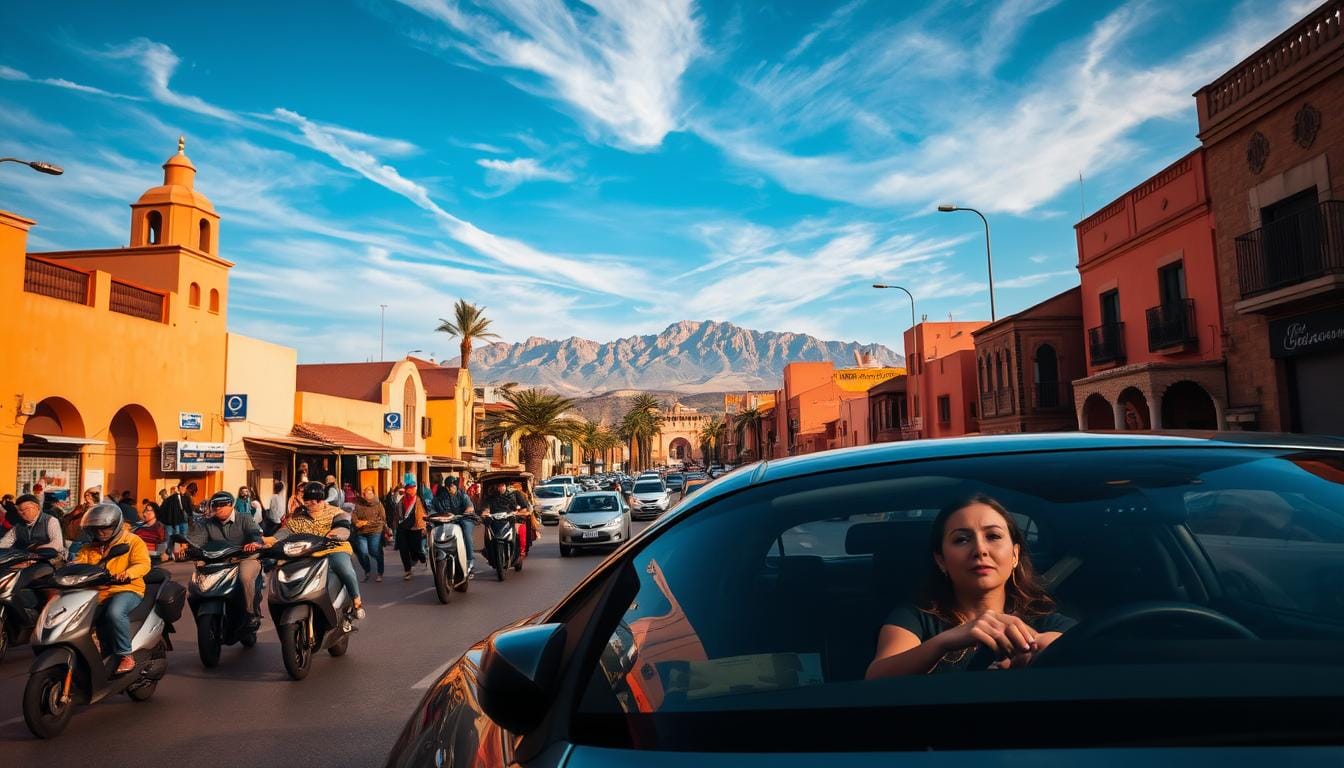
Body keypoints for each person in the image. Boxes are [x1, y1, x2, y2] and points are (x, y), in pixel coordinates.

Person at [866, 495, 1074, 678]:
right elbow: (877, 679)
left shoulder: (1044, 619)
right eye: (962, 540)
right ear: (941, 560)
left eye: (993, 536)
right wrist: (944, 642)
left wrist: (1036, 647)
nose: (980, 550)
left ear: (1015, 555)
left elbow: (1087, 648)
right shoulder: (915, 618)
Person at [75, 503, 151, 675]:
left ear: (116, 526)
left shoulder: (132, 541)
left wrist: (127, 573)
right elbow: (79, 564)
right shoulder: (90, 546)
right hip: (95, 592)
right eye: (96, 529)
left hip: (126, 589)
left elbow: (143, 564)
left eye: (105, 528)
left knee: (115, 612)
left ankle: (126, 655)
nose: (100, 532)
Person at [175, 491, 266, 628]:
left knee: (245, 577)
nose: (219, 507)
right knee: (195, 583)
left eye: (223, 504)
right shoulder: (207, 523)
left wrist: (254, 542)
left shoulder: (245, 518)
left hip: (244, 558)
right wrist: (187, 547)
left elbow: (255, 532)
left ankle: (250, 614)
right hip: (216, 560)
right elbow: (198, 541)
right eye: (216, 505)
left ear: (231, 505)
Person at [278, 482, 365, 619]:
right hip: (306, 552)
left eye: (317, 499)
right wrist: (266, 541)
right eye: (308, 499)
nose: (313, 503)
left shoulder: (336, 512)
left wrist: (335, 533)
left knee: (345, 569)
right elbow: (284, 532)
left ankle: (356, 600)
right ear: (304, 499)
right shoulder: (298, 516)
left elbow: (343, 527)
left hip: (334, 548)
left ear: (323, 499)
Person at [432, 475, 478, 576]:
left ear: (456, 486)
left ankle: (470, 562)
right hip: (447, 521)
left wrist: (466, 512)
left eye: (452, 486)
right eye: (448, 486)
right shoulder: (441, 497)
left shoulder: (463, 496)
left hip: (463, 519)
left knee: (466, 533)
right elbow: (432, 507)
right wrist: (430, 514)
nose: (450, 488)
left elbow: (470, 507)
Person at [0, 492, 67, 561]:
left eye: (24, 509)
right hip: (27, 560)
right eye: (19, 510)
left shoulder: (50, 521)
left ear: (36, 507)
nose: (21, 513)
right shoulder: (18, 526)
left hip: (51, 560)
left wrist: (37, 549)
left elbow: (57, 544)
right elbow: (6, 541)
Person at [352, 486, 389, 582]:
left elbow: (382, 519)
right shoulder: (358, 503)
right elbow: (354, 514)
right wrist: (356, 522)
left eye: (369, 492)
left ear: (373, 493)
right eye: (365, 493)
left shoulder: (378, 504)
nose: (367, 495)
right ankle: (367, 571)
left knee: (374, 552)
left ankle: (380, 572)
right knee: (362, 552)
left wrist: (366, 523)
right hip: (361, 532)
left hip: (375, 530)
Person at [395, 479, 428, 581]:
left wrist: (424, 527)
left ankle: (420, 556)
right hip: (402, 528)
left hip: (415, 528)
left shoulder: (420, 500)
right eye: (408, 489)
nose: (410, 491)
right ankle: (408, 570)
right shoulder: (401, 500)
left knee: (415, 549)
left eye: (412, 488)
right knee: (403, 550)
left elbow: (424, 514)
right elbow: (396, 514)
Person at [63, 488, 101, 558]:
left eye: (88, 496)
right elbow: (65, 520)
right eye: (86, 496)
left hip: (90, 540)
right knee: (72, 556)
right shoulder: (79, 508)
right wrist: (76, 512)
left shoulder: (99, 510)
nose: (86, 498)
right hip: (78, 539)